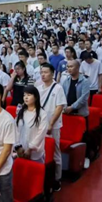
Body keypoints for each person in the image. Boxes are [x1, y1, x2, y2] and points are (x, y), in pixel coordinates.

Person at [36, 63, 67, 192]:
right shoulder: (38, 87)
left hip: (52, 126)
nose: (43, 75)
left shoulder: (58, 88)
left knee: (55, 151)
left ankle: (57, 178)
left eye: (46, 72)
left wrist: (50, 123)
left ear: (52, 73)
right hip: (40, 124)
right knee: (39, 151)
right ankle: (43, 177)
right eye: (41, 72)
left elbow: (59, 107)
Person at [14, 86, 49, 164]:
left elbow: (41, 133)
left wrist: (30, 148)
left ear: (35, 97)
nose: (26, 97)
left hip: (36, 153)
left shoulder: (42, 114)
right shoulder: (21, 111)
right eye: (24, 95)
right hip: (21, 150)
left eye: (29, 95)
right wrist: (18, 146)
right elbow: (16, 129)